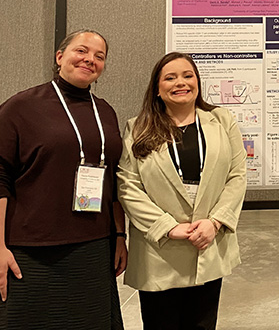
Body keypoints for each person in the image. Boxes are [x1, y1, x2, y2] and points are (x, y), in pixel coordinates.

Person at [0, 30, 128, 329]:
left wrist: (120, 236)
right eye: (81, 51)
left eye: (99, 56)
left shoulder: (105, 111)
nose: (90, 60)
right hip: (31, 250)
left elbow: (113, 183)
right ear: (60, 57)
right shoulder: (21, 107)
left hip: (93, 248)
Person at [117, 52, 246, 329]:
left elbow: (237, 176)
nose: (181, 83)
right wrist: (167, 227)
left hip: (207, 243)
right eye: (170, 77)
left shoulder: (221, 121)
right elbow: (128, 186)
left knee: (203, 323)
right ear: (157, 89)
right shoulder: (138, 128)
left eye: (188, 75)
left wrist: (215, 222)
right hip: (159, 250)